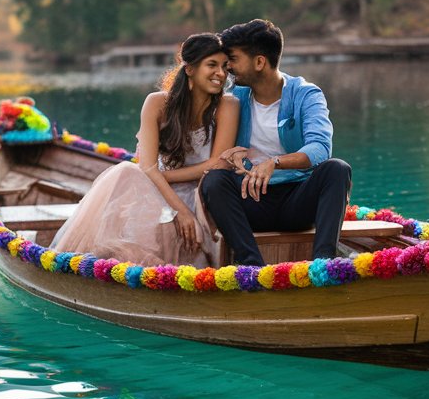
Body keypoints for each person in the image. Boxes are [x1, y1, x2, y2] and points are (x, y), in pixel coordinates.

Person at [53, 33, 239, 267]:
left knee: (188, 252)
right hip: (156, 190)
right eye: (211, 65)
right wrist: (180, 210)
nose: (221, 73)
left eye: (224, 66)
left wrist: (164, 177)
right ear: (190, 69)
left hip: (201, 192)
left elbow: (217, 164)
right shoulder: (157, 103)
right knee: (125, 174)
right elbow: (147, 167)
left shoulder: (227, 105)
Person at [200, 19, 352, 265]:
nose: (228, 69)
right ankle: (251, 264)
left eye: (234, 60)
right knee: (214, 181)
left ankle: (324, 264)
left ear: (260, 62)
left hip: (297, 202)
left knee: (337, 169)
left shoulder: (306, 94)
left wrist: (275, 162)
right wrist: (233, 155)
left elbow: (320, 148)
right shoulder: (233, 98)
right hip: (250, 201)